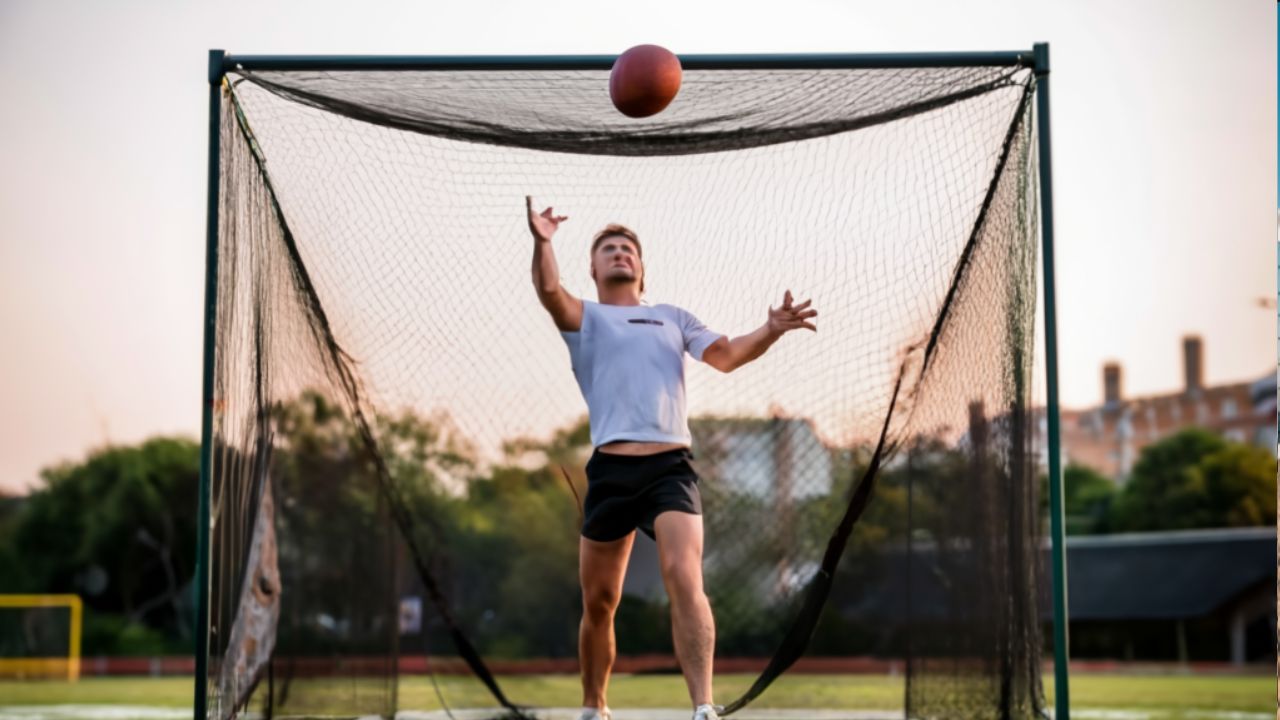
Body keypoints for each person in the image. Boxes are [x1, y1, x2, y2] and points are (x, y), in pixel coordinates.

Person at [526, 197, 817, 720]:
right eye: (608, 249)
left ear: (640, 266)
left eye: (628, 248)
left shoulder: (671, 318)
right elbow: (548, 289)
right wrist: (543, 240)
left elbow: (726, 355)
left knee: (684, 575)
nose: (619, 253)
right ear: (592, 269)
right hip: (611, 472)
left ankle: (703, 705)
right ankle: (594, 707)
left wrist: (771, 329)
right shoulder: (583, 318)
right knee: (599, 602)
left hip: (670, 470)